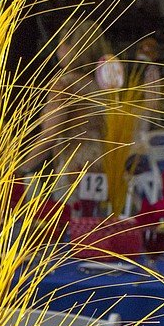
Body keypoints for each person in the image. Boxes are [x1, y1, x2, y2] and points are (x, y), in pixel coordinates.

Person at [34, 19, 113, 200]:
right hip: (106, 170)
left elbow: (50, 135)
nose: (57, 49)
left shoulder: (64, 85)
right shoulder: (105, 87)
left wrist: (21, 167)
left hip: (74, 172)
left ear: (72, 47)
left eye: (60, 42)